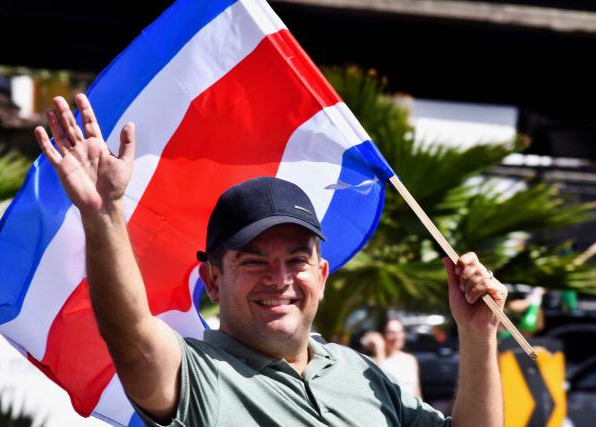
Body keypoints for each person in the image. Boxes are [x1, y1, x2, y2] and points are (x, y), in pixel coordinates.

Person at [34, 93, 507, 427]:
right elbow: (132, 338)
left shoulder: (362, 373)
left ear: (321, 276)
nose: (279, 279)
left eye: (297, 259)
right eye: (255, 261)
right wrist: (104, 215)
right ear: (213, 281)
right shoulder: (197, 378)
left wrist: (477, 333)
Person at [382, 319, 422, 398]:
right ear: (384, 335)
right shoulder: (379, 360)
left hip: (411, 409)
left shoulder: (410, 359)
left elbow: (417, 392)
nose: (396, 336)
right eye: (391, 332)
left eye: (399, 332)